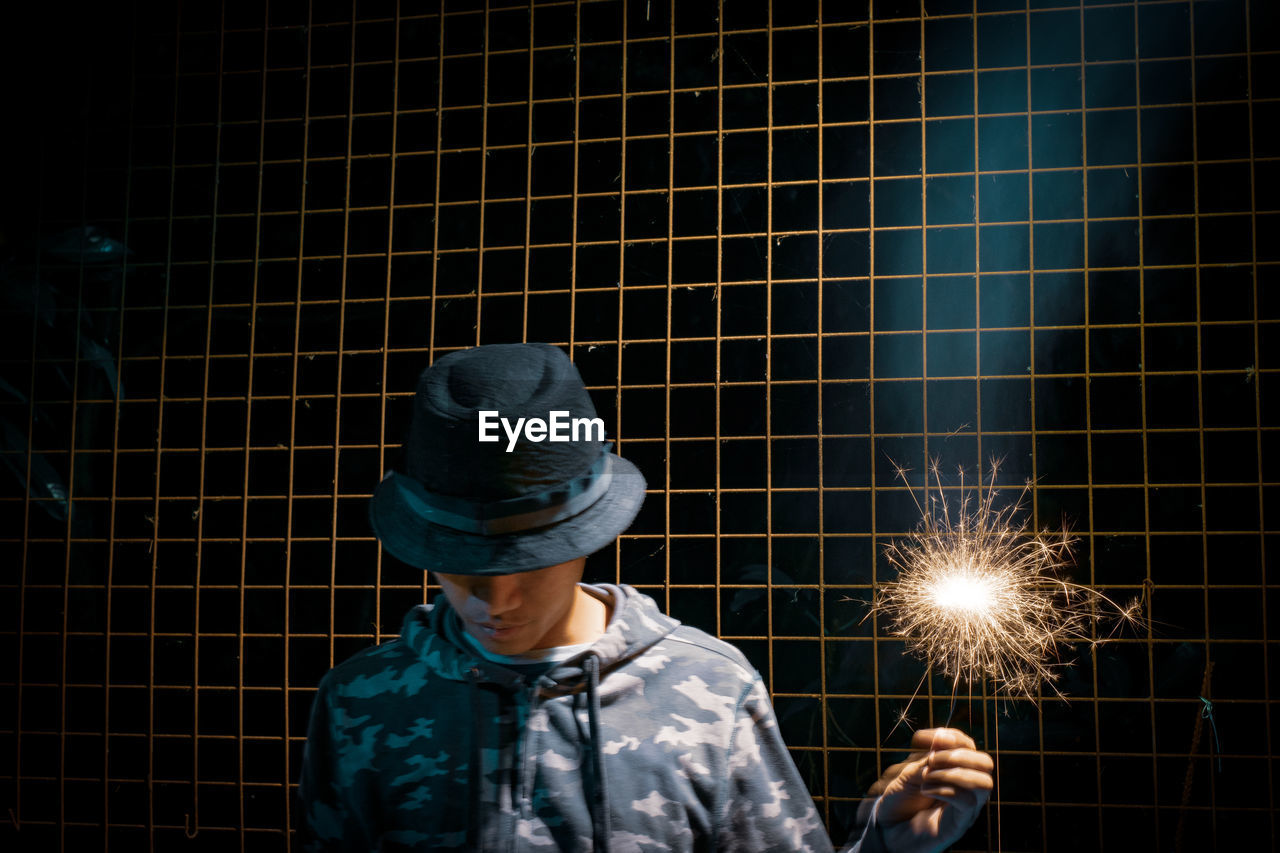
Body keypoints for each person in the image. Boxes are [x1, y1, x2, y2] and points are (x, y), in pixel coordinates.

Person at [296, 343, 993, 852]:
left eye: (528, 558)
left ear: (584, 535)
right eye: (458, 561)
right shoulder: (360, 703)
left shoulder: (712, 691)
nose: (494, 596)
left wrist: (881, 845)